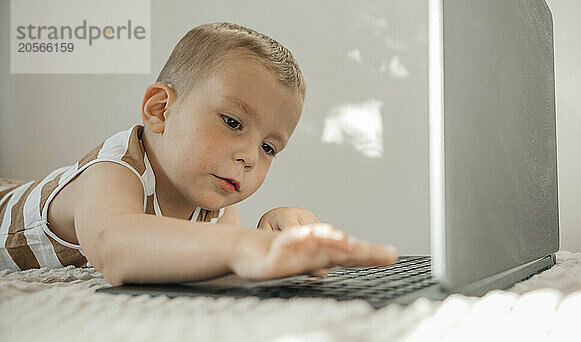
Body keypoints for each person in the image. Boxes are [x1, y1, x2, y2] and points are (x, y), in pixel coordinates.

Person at [0, 22, 397, 285]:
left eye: (269, 147)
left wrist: (269, 237)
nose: (250, 158)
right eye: (232, 122)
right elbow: (115, 248)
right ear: (160, 110)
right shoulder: (113, 170)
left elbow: (216, 261)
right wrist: (241, 247)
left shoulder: (214, 198)